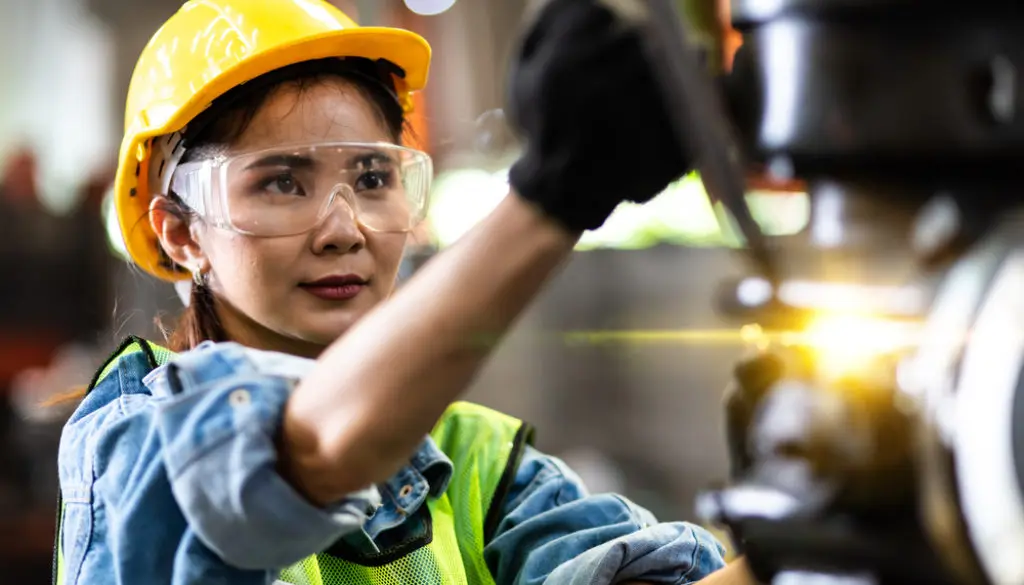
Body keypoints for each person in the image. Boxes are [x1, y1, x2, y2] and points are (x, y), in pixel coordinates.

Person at [54, 0, 755, 583]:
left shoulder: (472, 460)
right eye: (280, 181)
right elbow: (292, 457)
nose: (342, 228)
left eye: (371, 177)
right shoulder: (135, 438)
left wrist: (807, 543)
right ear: (181, 232)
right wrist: (554, 195)